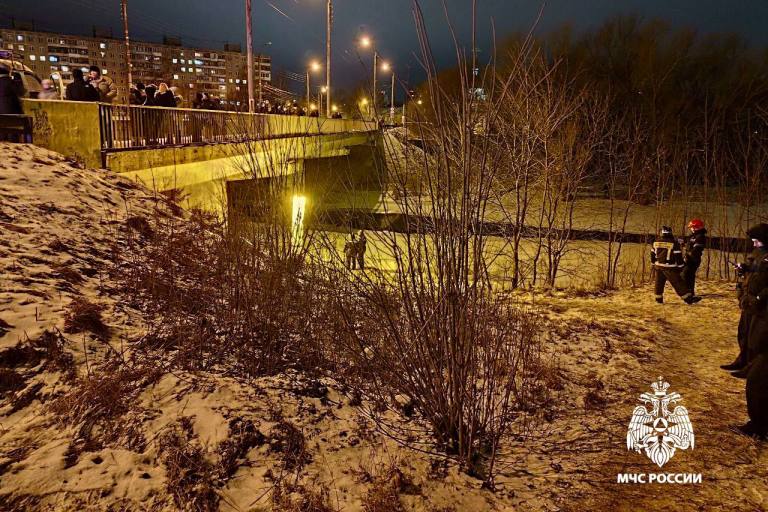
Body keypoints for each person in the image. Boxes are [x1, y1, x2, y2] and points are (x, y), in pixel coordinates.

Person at [729, 224, 768, 379]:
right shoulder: (757, 252)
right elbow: (753, 269)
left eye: (756, 241)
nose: (754, 244)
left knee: (755, 337)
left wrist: (760, 297)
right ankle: (742, 361)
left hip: (761, 303)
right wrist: (743, 268)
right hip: (749, 298)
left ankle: (751, 368)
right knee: (744, 332)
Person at [650, 226, 701, 305]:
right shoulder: (674, 243)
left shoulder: (655, 242)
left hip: (658, 266)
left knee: (659, 282)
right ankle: (688, 299)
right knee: (677, 282)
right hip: (670, 267)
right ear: (670, 233)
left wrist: (653, 263)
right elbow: (678, 257)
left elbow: (652, 254)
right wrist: (681, 266)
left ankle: (658, 299)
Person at [681, 219, 707, 295]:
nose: (691, 229)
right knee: (688, 274)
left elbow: (696, 250)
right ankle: (689, 291)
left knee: (686, 274)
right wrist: (684, 244)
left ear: (697, 227)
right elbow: (690, 246)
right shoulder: (693, 236)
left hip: (693, 259)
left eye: (692, 227)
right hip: (689, 258)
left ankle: (688, 292)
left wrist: (689, 254)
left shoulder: (700, 237)